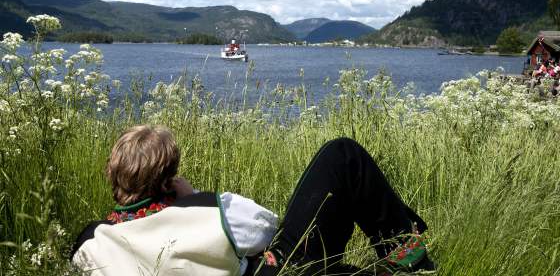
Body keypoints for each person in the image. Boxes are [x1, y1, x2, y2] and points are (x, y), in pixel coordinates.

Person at [71, 125, 434, 275]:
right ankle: (411, 255)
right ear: (169, 177)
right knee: (342, 155)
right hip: (278, 272)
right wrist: (193, 196)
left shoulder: (91, 240)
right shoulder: (205, 209)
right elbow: (266, 228)